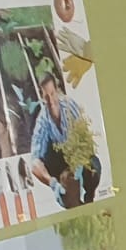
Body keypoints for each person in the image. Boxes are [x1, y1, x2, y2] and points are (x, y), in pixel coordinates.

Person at [30, 74, 100, 207]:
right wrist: (52, 182)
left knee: (95, 168)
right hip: (60, 167)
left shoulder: (69, 106)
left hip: (78, 158)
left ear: (57, 90)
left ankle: (89, 197)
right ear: (41, 97)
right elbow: (34, 163)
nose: (51, 101)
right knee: (68, 196)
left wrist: (78, 169)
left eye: (52, 94)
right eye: (46, 97)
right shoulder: (42, 121)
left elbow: (86, 141)